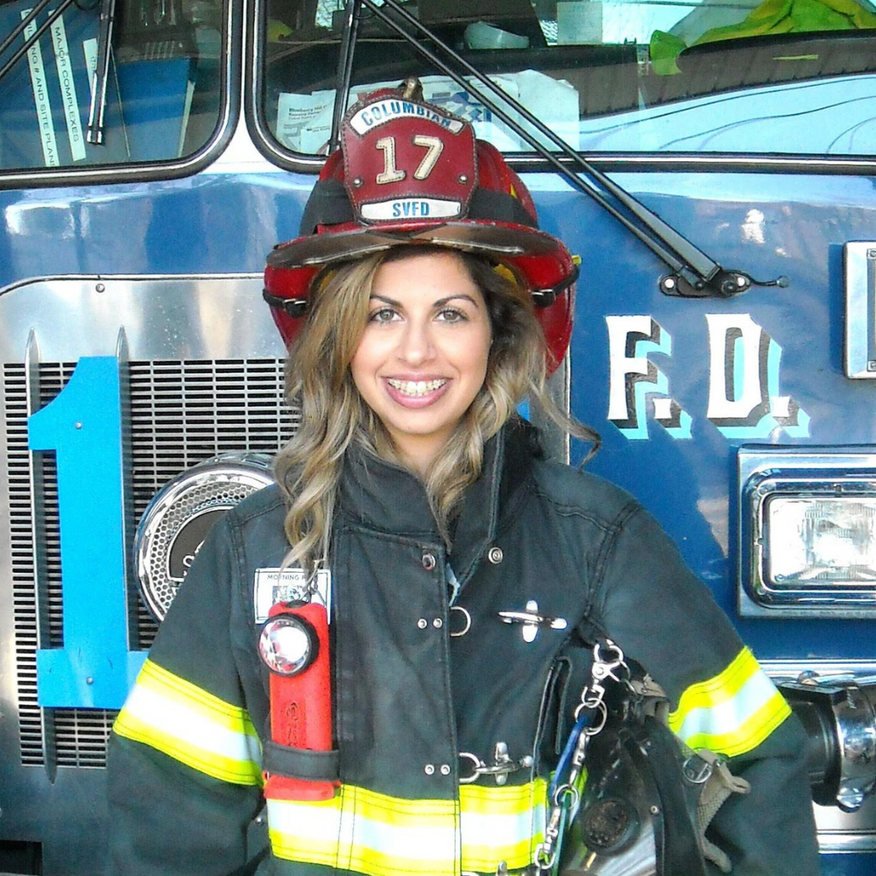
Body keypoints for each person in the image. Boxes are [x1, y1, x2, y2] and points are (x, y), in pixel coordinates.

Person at [107, 79, 820, 876]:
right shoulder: (256, 550)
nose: (416, 352)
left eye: (451, 313)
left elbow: (762, 760)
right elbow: (166, 824)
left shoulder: (600, 540)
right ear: (340, 340)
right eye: (381, 314)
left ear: (498, 337)